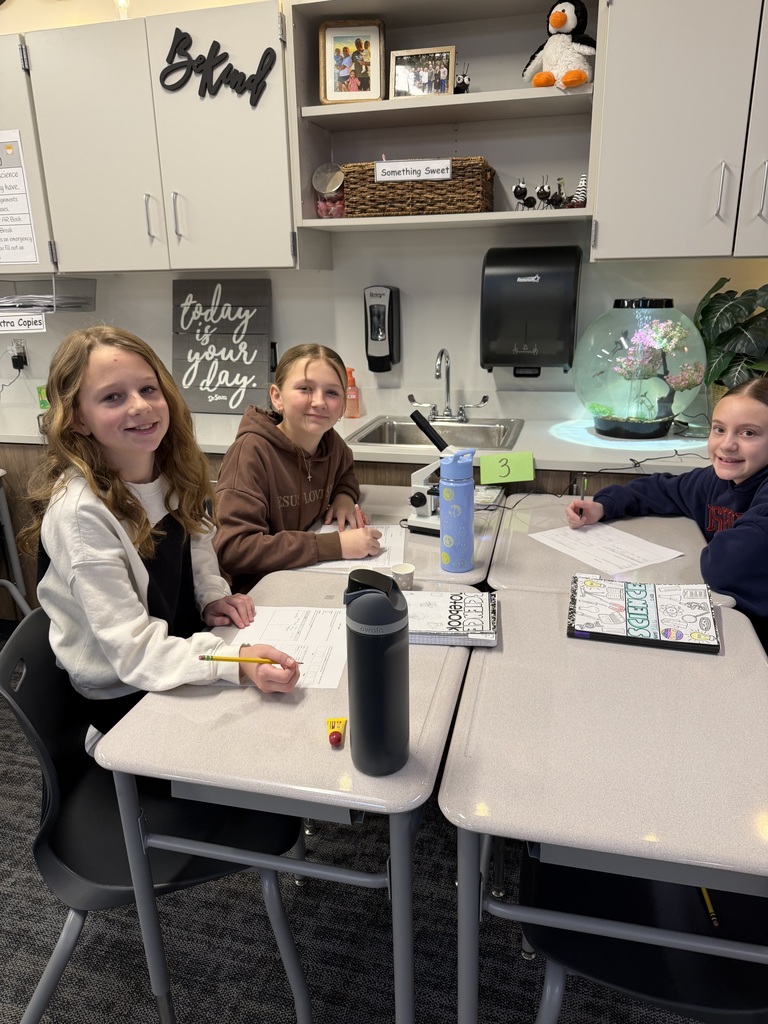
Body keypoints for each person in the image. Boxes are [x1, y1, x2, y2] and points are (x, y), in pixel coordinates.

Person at [19, 325, 300, 733]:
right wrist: (236, 665)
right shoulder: (80, 513)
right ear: (77, 418)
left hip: (181, 648)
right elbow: (133, 655)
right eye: (113, 397)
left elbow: (198, 545)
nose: (140, 406)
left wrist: (211, 596)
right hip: (126, 695)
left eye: (148, 390)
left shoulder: (170, 469)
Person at [565, 378, 768, 649]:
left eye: (748, 433)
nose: (727, 445)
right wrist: (604, 506)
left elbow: (724, 568)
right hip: (727, 619)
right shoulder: (717, 481)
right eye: (719, 429)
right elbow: (663, 489)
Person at [214, 343, 381, 593]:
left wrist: (344, 497)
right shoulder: (251, 454)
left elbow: (345, 471)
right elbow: (234, 549)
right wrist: (336, 545)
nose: (319, 402)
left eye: (332, 393)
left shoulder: (330, 441)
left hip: (302, 576)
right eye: (305, 389)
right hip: (258, 593)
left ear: (344, 405)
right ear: (277, 397)